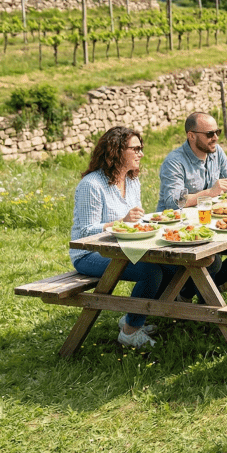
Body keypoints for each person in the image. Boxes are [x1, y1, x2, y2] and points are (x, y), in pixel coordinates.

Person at [70, 126, 177, 348]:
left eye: (141, 148)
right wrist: (121, 223)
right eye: (135, 149)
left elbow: (135, 222)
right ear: (116, 151)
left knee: (171, 265)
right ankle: (129, 332)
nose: (141, 153)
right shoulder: (91, 185)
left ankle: (133, 318)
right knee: (151, 270)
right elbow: (84, 233)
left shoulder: (131, 180)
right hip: (89, 254)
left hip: (125, 248)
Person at [157, 111, 227, 301]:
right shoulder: (174, 161)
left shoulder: (216, 152)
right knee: (211, 261)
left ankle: (189, 292)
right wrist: (209, 194)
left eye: (217, 132)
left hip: (211, 225)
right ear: (191, 136)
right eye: (209, 134)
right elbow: (173, 202)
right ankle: (207, 305)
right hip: (180, 230)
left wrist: (222, 190)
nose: (215, 138)